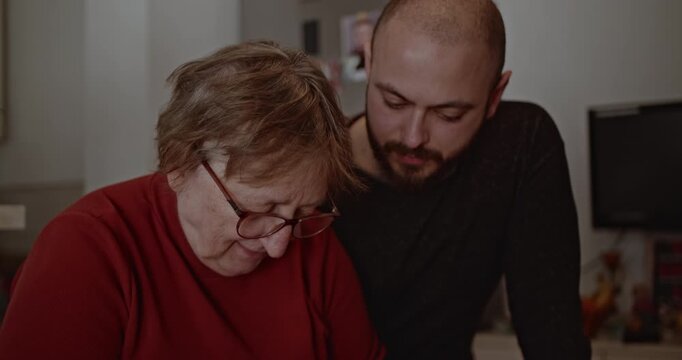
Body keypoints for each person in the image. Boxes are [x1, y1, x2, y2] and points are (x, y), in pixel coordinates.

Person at [0, 41, 385, 359]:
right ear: (179, 164)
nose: (278, 244)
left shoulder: (313, 243)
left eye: (302, 211)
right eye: (257, 209)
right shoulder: (86, 250)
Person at [332, 0, 592, 359]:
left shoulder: (520, 145)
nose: (412, 137)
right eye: (394, 102)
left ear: (494, 96)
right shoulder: (313, 176)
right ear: (370, 61)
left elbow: (555, 342)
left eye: (448, 114)